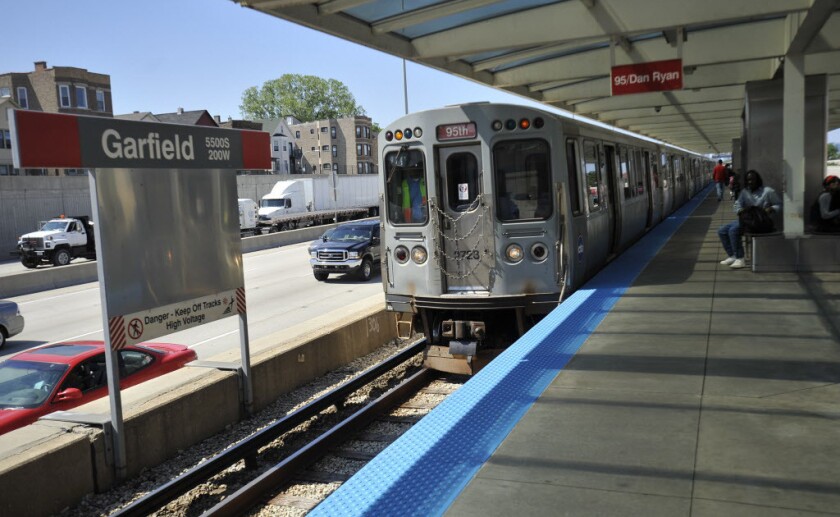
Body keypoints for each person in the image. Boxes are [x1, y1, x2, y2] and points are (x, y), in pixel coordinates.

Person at [717, 170, 782, 269]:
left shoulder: (768, 191)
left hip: (760, 222)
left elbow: (779, 204)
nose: (750, 182)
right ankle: (732, 255)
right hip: (747, 220)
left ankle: (740, 258)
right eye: (748, 180)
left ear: (758, 180)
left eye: (752, 179)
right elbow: (737, 205)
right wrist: (740, 211)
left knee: (733, 230)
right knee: (721, 230)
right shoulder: (745, 192)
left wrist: (771, 209)